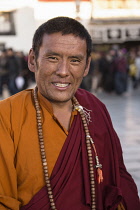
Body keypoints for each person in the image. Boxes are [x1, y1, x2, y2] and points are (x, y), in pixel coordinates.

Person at [0, 17, 139, 210]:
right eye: (53, 58)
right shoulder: (6, 116)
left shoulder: (95, 107)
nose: (63, 71)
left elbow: (118, 177)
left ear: (86, 66)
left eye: (75, 60)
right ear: (32, 60)